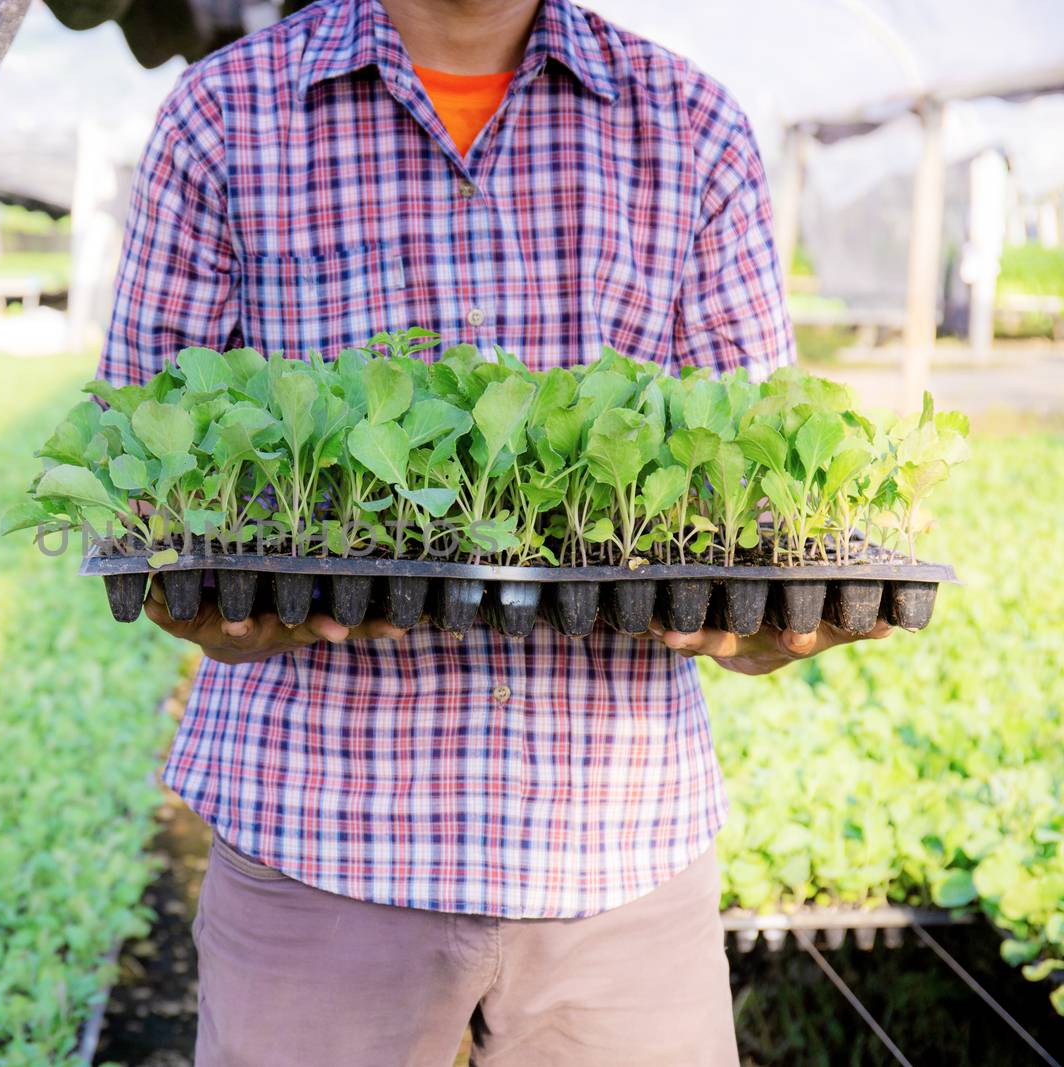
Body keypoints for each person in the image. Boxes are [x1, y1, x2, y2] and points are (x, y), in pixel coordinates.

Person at [97, 1, 893, 1062]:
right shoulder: (224, 114)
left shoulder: (689, 121)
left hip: (621, 860)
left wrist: (764, 610)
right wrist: (199, 594)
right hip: (315, 834)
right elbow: (141, 457)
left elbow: (753, 458)